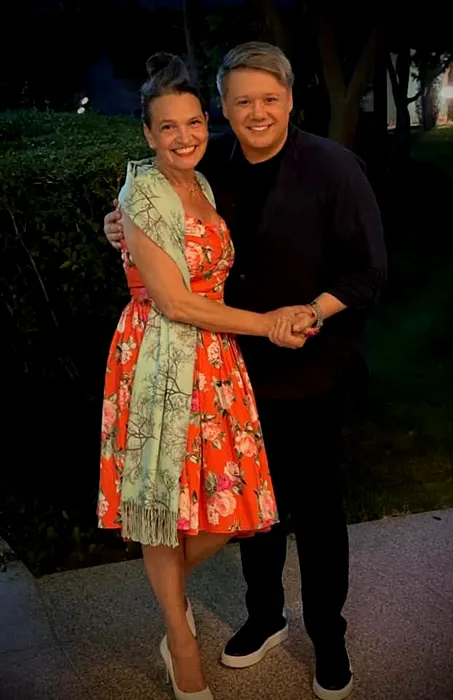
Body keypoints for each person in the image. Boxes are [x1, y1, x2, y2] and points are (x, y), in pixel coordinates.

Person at [104, 42, 387, 700]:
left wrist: (308, 313)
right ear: (224, 110)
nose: (256, 113)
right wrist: (117, 225)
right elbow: (154, 210)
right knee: (253, 508)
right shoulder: (210, 164)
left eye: (268, 99)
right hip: (231, 367)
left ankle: (329, 639)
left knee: (315, 511)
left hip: (313, 367)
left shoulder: (333, 167)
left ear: (289, 100)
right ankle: (264, 616)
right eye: (241, 102)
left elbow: (368, 271)